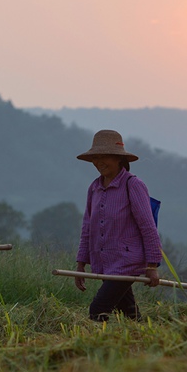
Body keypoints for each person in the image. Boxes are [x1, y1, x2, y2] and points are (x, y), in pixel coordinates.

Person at [74, 130, 163, 321]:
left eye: (104, 157)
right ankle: (144, 338)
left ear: (118, 159)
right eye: (95, 158)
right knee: (129, 312)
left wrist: (152, 265)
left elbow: (148, 226)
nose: (99, 163)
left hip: (126, 261)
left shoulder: (133, 185)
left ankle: (98, 346)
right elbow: (88, 227)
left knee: (98, 309)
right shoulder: (95, 188)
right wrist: (80, 263)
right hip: (105, 260)